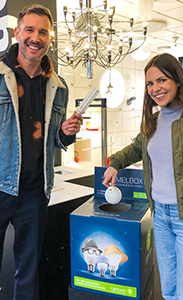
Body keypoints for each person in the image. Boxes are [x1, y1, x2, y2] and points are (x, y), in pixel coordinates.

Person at [0, 4, 82, 300]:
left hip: (34, 192)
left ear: (50, 38)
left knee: (28, 274)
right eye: (30, 30)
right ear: (17, 32)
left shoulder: (57, 86)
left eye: (43, 32)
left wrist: (66, 133)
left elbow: (55, 140)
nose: (36, 37)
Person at [103, 53, 183, 300]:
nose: (155, 88)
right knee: (167, 289)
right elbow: (136, 148)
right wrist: (115, 163)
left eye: (162, 80)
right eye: (150, 83)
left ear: (178, 80)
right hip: (160, 215)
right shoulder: (153, 121)